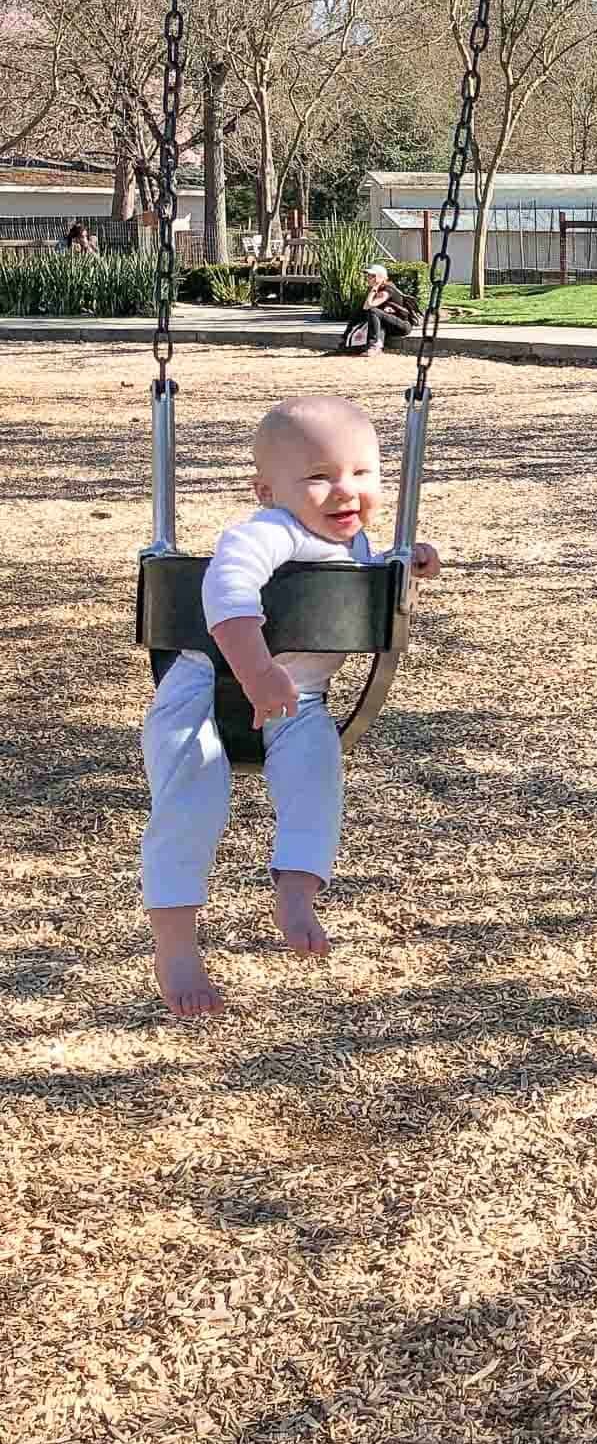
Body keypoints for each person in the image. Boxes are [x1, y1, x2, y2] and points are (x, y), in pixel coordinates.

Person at [139, 394, 442, 1017]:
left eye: (362, 472)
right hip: (203, 690)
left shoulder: (357, 544)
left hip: (298, 700)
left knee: (316, 779)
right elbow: (226, 594)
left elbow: (368, 576)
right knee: (190, 800)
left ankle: (297, 891)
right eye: (319, 477)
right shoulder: (266, 532)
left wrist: (408, 562)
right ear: (267, 492)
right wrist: (256, 671)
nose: (345, 490)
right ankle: (175, 944)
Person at [339, 262, 414, 357]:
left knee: (373, 311)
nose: (368, 278)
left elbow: (369, 305)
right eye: (368, 276)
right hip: (387, 324)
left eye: (371, 276)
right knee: (359, 311)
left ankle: (373, 345)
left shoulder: (388, 289)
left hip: (401, 326)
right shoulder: (377, 289)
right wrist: (374, 289)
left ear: (380, 277)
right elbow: (364, 308)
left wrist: (374, 288)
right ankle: (346, 340)